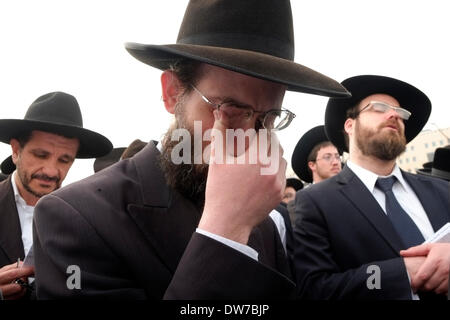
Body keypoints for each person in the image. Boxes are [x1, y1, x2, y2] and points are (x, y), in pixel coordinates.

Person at [32, 0, 349, 299]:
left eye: (268, 118)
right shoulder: (76, 216)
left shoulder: (262, 222)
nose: (249, 141)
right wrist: (226, 231)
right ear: (172, 94)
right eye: (231, 112)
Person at [293, 75, 450, 299]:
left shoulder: (443, 191)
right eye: (379, 108)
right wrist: (402, 273)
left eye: (400, 112)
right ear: (349, 124)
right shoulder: (315, 202)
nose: (395, 114)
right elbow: (316, 288)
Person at [0, 91, 112, 300]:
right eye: (41, 155)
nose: (51, 171)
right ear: (16, 151)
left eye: (64, 160)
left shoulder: (86, 219)